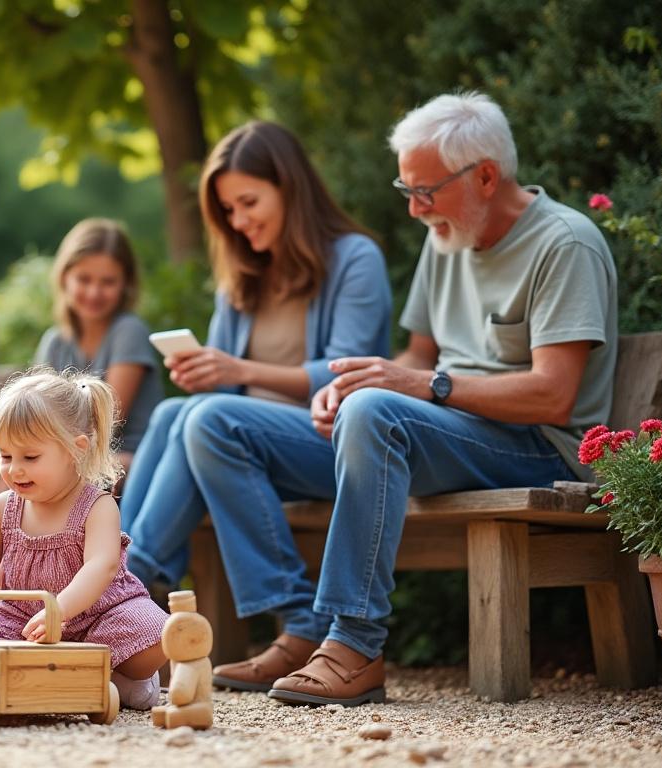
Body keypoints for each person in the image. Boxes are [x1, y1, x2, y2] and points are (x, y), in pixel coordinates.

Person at [212, 92, 617, 707]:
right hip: (448, 434)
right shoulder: (446, 237)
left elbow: (554, 396)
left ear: (486, 175)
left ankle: (353, 643)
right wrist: (345, 388)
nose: (415, 209)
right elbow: (416, 359)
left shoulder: (565, 244)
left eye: (425, 191)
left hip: (542, 449)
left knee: (377, 411)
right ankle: (301, 632)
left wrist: (415, 388)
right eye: (407, 191)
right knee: (220, 422)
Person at [118, 121, 391, 624]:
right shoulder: (242, 277)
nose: (238, 220)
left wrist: (235, 369)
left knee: (207, 418)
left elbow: (345, 371)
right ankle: (127, 576)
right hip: (240, 452)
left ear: (289, 187)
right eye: (227, 210)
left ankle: (125, 587)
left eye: (249, 202)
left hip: (329, 442)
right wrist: (207, 372)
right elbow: (225, 382)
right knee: (175, 413)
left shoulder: (355, 259)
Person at [0, 369, 169, 710]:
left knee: (157, 633)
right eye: (5, 456)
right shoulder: (3, 508)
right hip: (23, 620)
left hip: (101, 615)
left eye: (30, 457)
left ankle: (117, 676)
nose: (14, 469)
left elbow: (101, 566)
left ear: (75, 450)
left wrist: (60, 611)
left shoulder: (97, 505)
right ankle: (73, 679)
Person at [35, 218, 163, 475]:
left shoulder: (129, 330)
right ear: (64, 278)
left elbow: (104, 423)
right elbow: (35, 415)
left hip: (128, 457)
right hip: (68, 455)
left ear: (126, 285)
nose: (94, 293)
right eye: (84, 279)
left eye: (108, 282)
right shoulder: (55, 341)